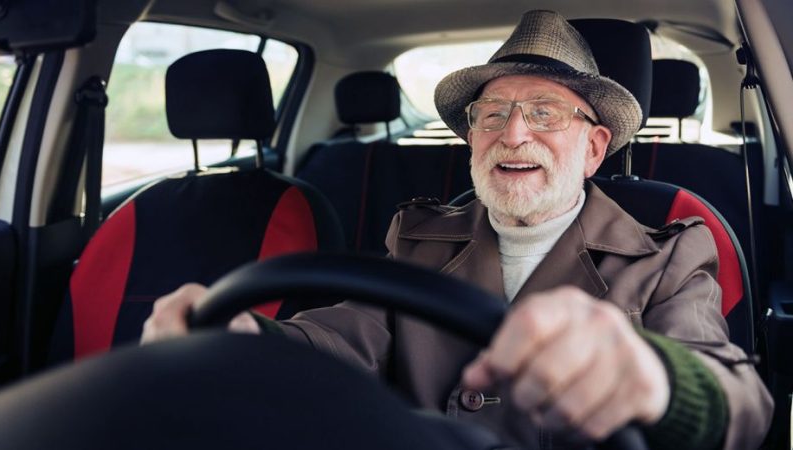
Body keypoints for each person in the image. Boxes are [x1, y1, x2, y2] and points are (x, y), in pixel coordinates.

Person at [141, 10, 772, 449]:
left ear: (594, 147)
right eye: (492, 113)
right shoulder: (416, 233)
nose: (513, 133)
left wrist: (656, 377)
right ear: (472, 138)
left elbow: (743, 403)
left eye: (545, 112)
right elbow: (346, 336)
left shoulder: (669, 248)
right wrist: (248, 337)